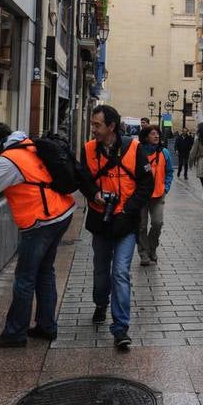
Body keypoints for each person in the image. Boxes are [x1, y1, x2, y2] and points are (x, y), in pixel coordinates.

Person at [0, 121, 78, 347]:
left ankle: (15, 333)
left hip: (41, 221)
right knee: (45, 272)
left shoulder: (8, 160)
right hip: (60, 212)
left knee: (25, 278)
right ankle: (46, 326)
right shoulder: (26, 145)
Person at [82, 105, 154, 349]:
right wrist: (94, 194)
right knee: (101, 271)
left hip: (126, 222)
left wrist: (129, 209)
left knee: (120, 272)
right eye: (92, 124)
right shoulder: (89, 149)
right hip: (100, 221)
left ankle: (120, 328)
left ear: (111, 126)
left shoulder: (134, 148)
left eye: (97, 125)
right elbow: (83, 179)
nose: (93, 129)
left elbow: (146, 183)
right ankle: (100, 302)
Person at [137, 124, 173, 265]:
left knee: (157, 223)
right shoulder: (138, 153)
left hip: (158, 194)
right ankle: (144, 253)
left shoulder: (164, 152)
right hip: (141, 195)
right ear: (146, 137)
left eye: (157, 133)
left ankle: (152, 248)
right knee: (141, 226)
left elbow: (169, 172)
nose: (156, 136)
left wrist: (166, 188)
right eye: (153, 134)